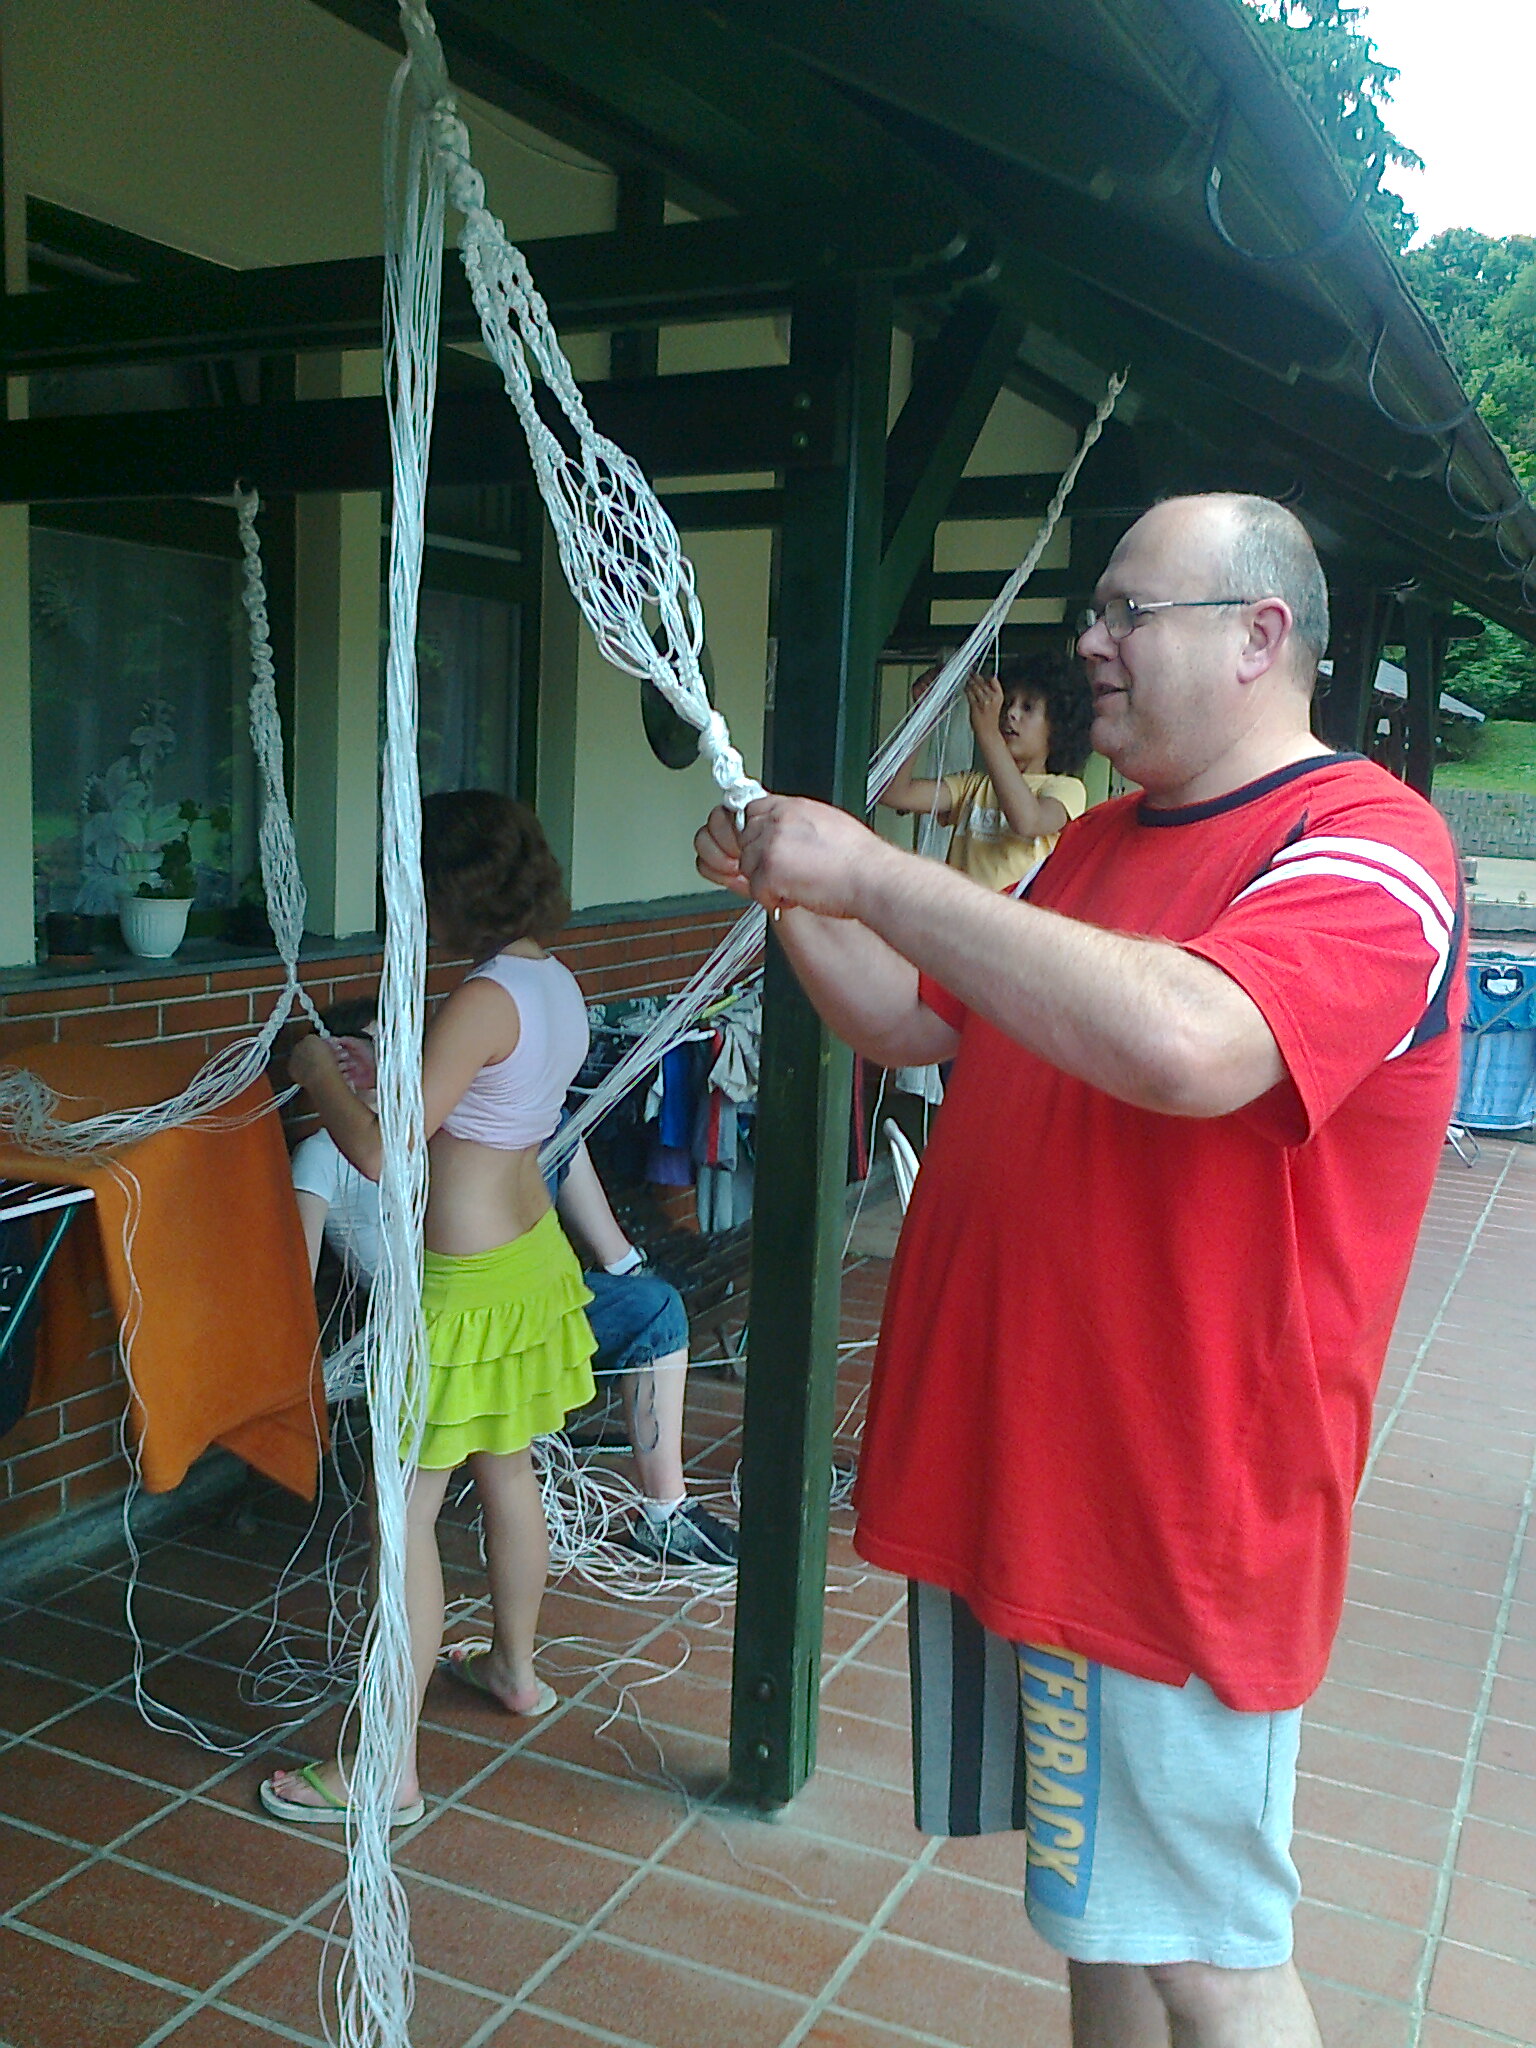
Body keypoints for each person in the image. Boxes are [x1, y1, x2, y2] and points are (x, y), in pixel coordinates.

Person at [694, 494, 1465, 2048]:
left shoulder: (1370, 844)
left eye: (1127, 613)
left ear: (1259, 636)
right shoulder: (1101, 843)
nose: (1091, 644)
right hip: (1044, 1475)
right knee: (1100, 1911)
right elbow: (916, 1015)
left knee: (1212, 1963)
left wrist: (876, 872)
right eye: (1096, 612)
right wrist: (796, 895)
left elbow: (1190, 1040)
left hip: (1178, 1506)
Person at [262, 790, 599, 1828]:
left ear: (450, 891)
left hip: (461, 1287)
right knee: (508, 1467)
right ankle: (515, 1670)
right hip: (528, 1258)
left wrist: (314, 1066)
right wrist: (387, 1073)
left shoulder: (481, 996)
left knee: (400, 1517)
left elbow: (377, 1150)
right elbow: (475, 1102)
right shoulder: (551, 980)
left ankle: (386, 1770)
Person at [289, 1011, 737, 1566]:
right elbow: (299, 1274)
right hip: (439, 1330)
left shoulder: (443, 1124)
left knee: (653, 1305)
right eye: (376, 1045)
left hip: (513, 1302)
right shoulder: (324, 1154)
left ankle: (666, 1516)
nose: (399, 1059)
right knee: (433, 1501)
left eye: (404, 1045)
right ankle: (623, 1265)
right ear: (339, 1058)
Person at [878, 652, 1092, 892]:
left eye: (1028, 707)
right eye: (1007, 704)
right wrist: (923, 713)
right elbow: (894, 793)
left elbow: (1028, 821)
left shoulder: (1066, 789)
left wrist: (988, 733)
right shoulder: (972, 786)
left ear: (1059, 726)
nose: (1011, 713)